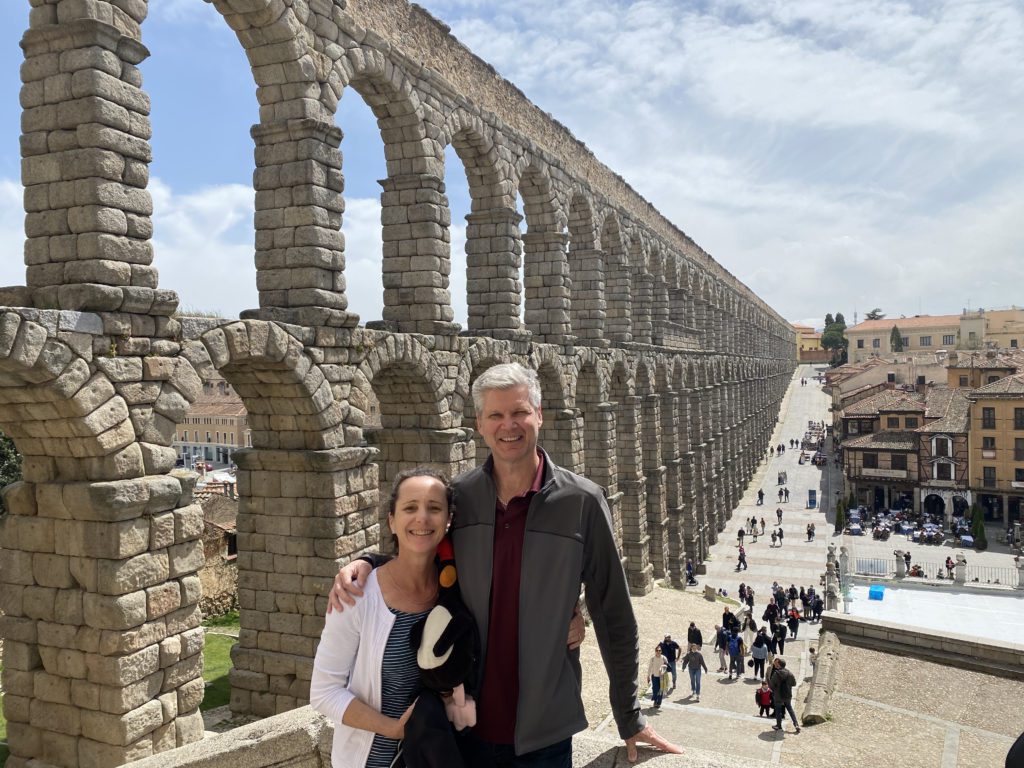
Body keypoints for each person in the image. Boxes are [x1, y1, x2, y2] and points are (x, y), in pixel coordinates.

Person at [328, 363, 679, 764]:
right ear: (479, 423)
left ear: (540, 415)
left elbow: (614, 611)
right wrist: (368, 562)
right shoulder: (460, 498)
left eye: (519, 412)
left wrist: (628, 715)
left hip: (544, 735)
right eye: (495, 414)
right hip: (464, 727)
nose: (508, 425)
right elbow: (416, 550)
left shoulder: (582, 502)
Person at [310, 468, 454, 768]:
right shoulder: (356, 594)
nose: (422, 518)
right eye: (410, 508)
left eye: (435, 508)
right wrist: (392, 728)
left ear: (449, 520)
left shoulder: (455, 593)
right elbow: (324, 692)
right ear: (391, 520)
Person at [768, 658, 800, 733]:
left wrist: (775, 689)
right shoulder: (790, 673)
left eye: (777, 664)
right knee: (790, 709)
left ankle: (778, 726)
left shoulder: (776, 673)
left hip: (778, 695)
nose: (775, 665)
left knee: (778, 710)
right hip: (787, 694)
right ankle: (796, 724)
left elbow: (771, 685)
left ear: (779, 665)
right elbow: (794, 683)